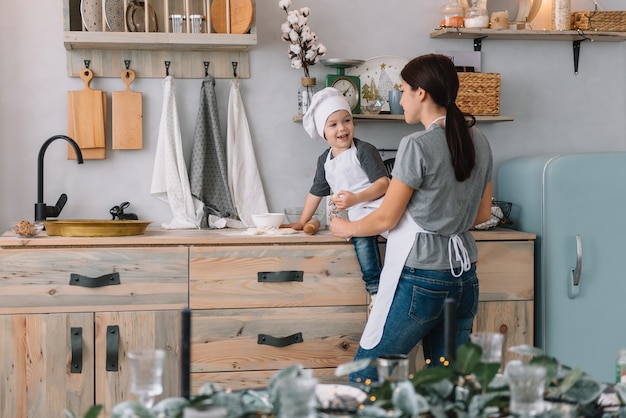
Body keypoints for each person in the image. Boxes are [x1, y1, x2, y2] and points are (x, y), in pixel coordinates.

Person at [330, 54, 494, 383]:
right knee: (445, 387)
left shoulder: (416, 144)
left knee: (363, 376)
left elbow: (385, 219)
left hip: (423, 279)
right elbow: (483, 213)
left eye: (404, 91)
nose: (401, 99)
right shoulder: (480, 140)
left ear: (421, 93)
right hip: (465, 279)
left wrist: (345, 226)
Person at [283, 87, 390, 301]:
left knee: (389, 243)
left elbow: (384, 184)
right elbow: (316, 192)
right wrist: (301, 222)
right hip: (358, 214)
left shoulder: (364, 150)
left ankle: (384, 291)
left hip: (380, 208)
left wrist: (356, 198)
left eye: (346, 121)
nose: (342, 128)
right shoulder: (324, 160)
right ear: (323, 132)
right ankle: (376, 290)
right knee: (363, 243)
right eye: (333, 124)